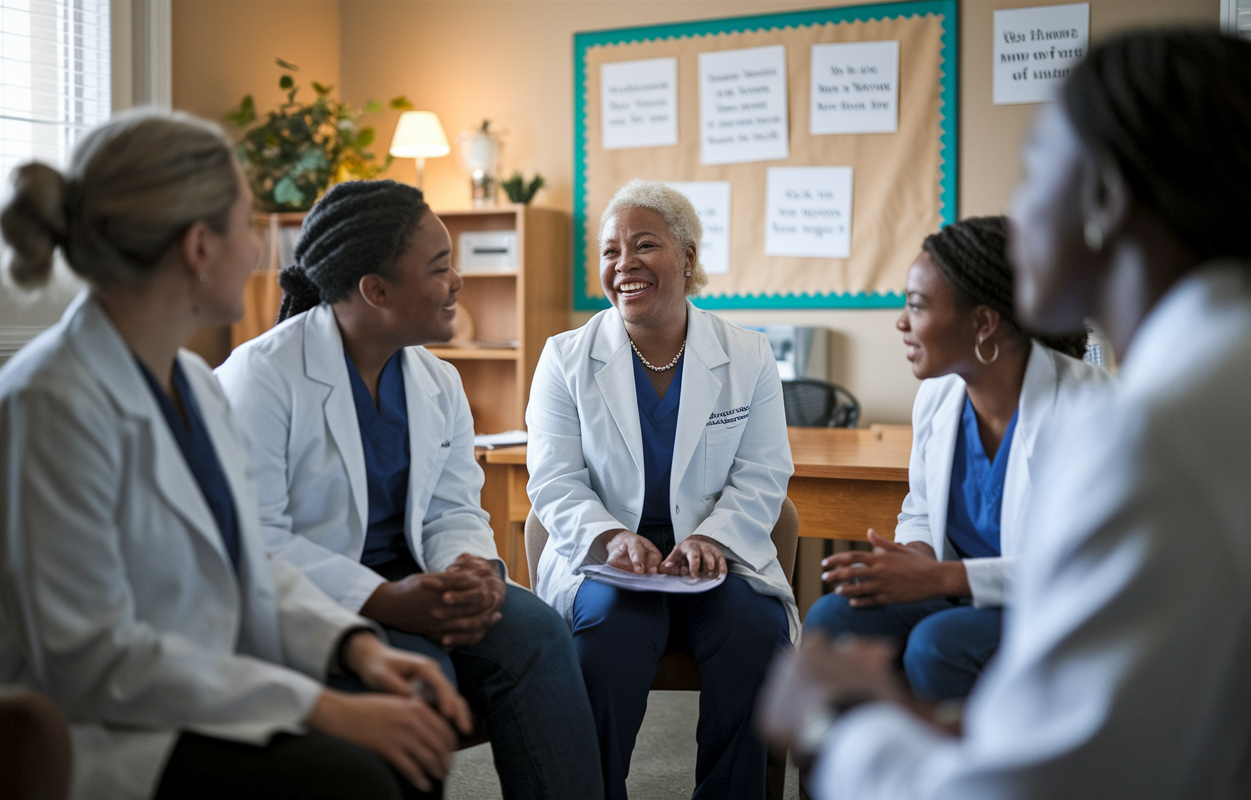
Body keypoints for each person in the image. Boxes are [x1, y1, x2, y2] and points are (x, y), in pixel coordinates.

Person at [757, 29, 1251, 799]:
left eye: (1034, 171)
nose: (1017, 213)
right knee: (848, 615)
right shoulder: (1243, 364)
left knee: (925, 643)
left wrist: (840, 723)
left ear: (1104, 199)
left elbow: (1027, 789)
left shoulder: (1148, 436)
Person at [0, 111, 469, 800]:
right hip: (102, 728)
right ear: (198, 246)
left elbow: (249, 564)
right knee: (363, 777)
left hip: (201, 688)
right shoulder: (51, 405)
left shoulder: (190, 380)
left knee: (406, 742)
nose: (260, 251)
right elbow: (92, 661)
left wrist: (355, 647)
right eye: (247, 225)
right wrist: (322, 705)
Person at [215, 179, 603, 800]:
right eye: (440, 267)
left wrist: (470, 569)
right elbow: (252, 540)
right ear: (376, 290)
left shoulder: (436, 380)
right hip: (320, 598)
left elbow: (453, 507)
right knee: (421, 679)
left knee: (540, 635)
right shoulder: (259, 378)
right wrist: (388, 600)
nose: (458, 283)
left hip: (422, 575)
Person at [525, 178, 795, 800]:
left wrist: (711, 538)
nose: (625, 265)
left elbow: (763, 475)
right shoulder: (564, 358)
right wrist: (610, 536)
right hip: (613, 562)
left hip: (716, 559)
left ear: (689, 258)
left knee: (754, 632)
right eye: (610, 251)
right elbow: (555, 481)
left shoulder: (748, 357)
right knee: (609, 631)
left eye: (644, 245)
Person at [803, 216, 1108, 701]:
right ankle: (851, 774)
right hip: (957, 593)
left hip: (1057, 608)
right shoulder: (939, 395)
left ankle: (958, 775)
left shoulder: (1091, 410)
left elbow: (1091, 564)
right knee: (833, 616)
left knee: (938, 644)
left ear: (983, 322)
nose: (901, 322)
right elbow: (921, 508)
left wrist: (942, 576)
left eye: (917, 305)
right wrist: (916, 556)